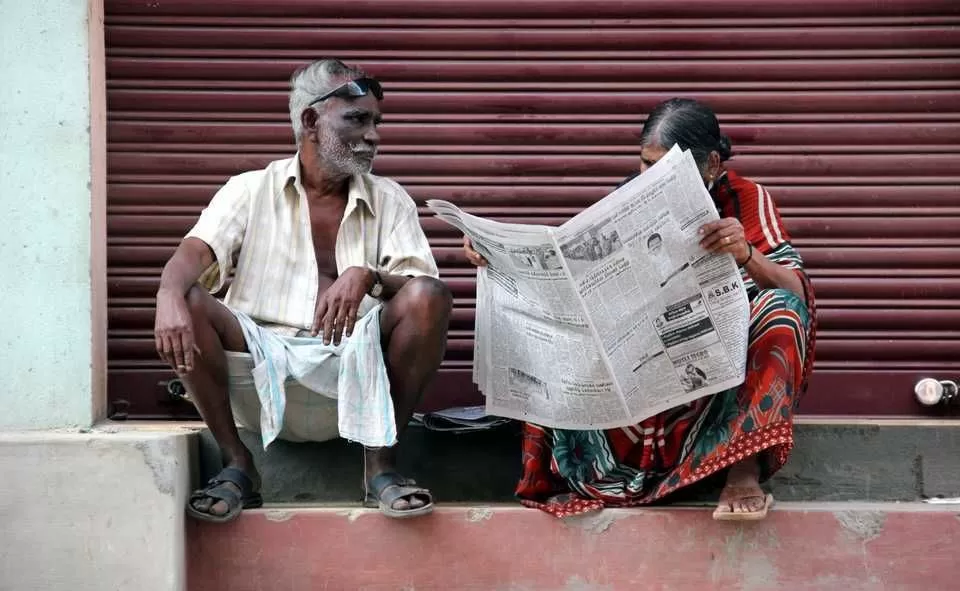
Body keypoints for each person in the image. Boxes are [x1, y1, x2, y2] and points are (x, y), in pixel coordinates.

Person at [463, 98, 815, 520]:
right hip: (640, 377)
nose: (650, 177)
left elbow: (796, 289)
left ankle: (741, 471)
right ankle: (588, 471)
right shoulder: (628, 196)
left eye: (666, 166)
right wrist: (500, 260)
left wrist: (746, 256)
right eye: (646, 163)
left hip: (713, 384)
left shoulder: (745, 198)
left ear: (711, 164)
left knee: (781, 312)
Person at [154, 58, 452, 522]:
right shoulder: (249, 189)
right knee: (188, 300)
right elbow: (195, 253)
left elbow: (420, 289)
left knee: (428, 297)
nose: (373, 134)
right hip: (258, 365)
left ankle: (381, 466)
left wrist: (368, 275)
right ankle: (238, 464)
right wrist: (167, 296)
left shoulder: (390, 198)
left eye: (376, 121)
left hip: (358, 367)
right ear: (310, 121)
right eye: (357, 119)